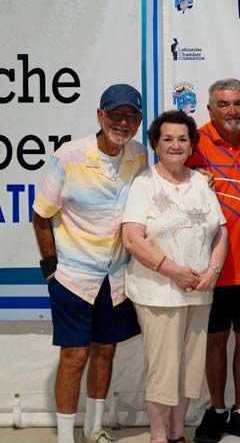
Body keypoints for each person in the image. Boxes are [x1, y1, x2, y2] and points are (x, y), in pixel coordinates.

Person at [32, 84, 147, 443]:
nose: (123, 122)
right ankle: (66, 438)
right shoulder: (68, 156)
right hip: (72, 276)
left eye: (131, 116)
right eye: (116, 115)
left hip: (116, 276)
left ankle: (94, 429)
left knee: (106, 351)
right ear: (100, 116)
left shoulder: (140, 155)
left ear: (139, 121)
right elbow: (40, 215)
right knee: (74, 355)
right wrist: (51, 266)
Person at [121, 110, 228, 443]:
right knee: (162, 372)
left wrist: (213, 270)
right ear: (155, 143)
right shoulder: (143, 184)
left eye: (183, 139)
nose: (176, 145)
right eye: (168, 138)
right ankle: (158, 436)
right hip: (158, 294)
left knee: (189, 371)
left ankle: (178, 434)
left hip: (199, 293)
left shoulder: (199, 182)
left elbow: (220, 231)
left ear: (192, 144)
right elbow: (132, 238)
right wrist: (172, 270)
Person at [186, 79, 240, 443]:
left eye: (238, 103)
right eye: (223, 104)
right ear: (209, 109)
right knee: (215, 340)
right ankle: (217, 409)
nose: (232, 110)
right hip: (211, 266)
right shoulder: (194, 143)